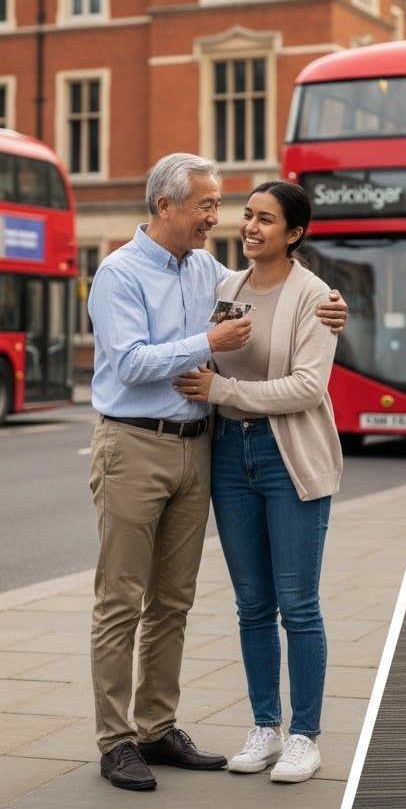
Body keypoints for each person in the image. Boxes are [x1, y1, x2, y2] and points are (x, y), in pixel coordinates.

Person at [87, 154, 347, 792]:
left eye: (249, 213)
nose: (222, 218)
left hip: (201, 446)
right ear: (165, 206)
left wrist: (336, 304)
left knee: (176, 601)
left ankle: (158, 726)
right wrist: (210, 346)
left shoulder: (208, 271)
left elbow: (281, 291)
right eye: (209, 205)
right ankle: (117, 740)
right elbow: (129, 363)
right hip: (133, 446)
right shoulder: (119, 273)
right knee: (122, 601)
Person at [174, 181, 343, 784]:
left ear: (293, 234)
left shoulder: (315, 297)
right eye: (247, 216)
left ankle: (305, 736)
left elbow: (307, 387)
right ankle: (265, 727)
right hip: (230, 457)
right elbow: (209, 356)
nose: (249, 226)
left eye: (265, 220)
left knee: (298, 607)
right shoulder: (228, 288)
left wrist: (225, 392)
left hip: (289, 456)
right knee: (252, 607)